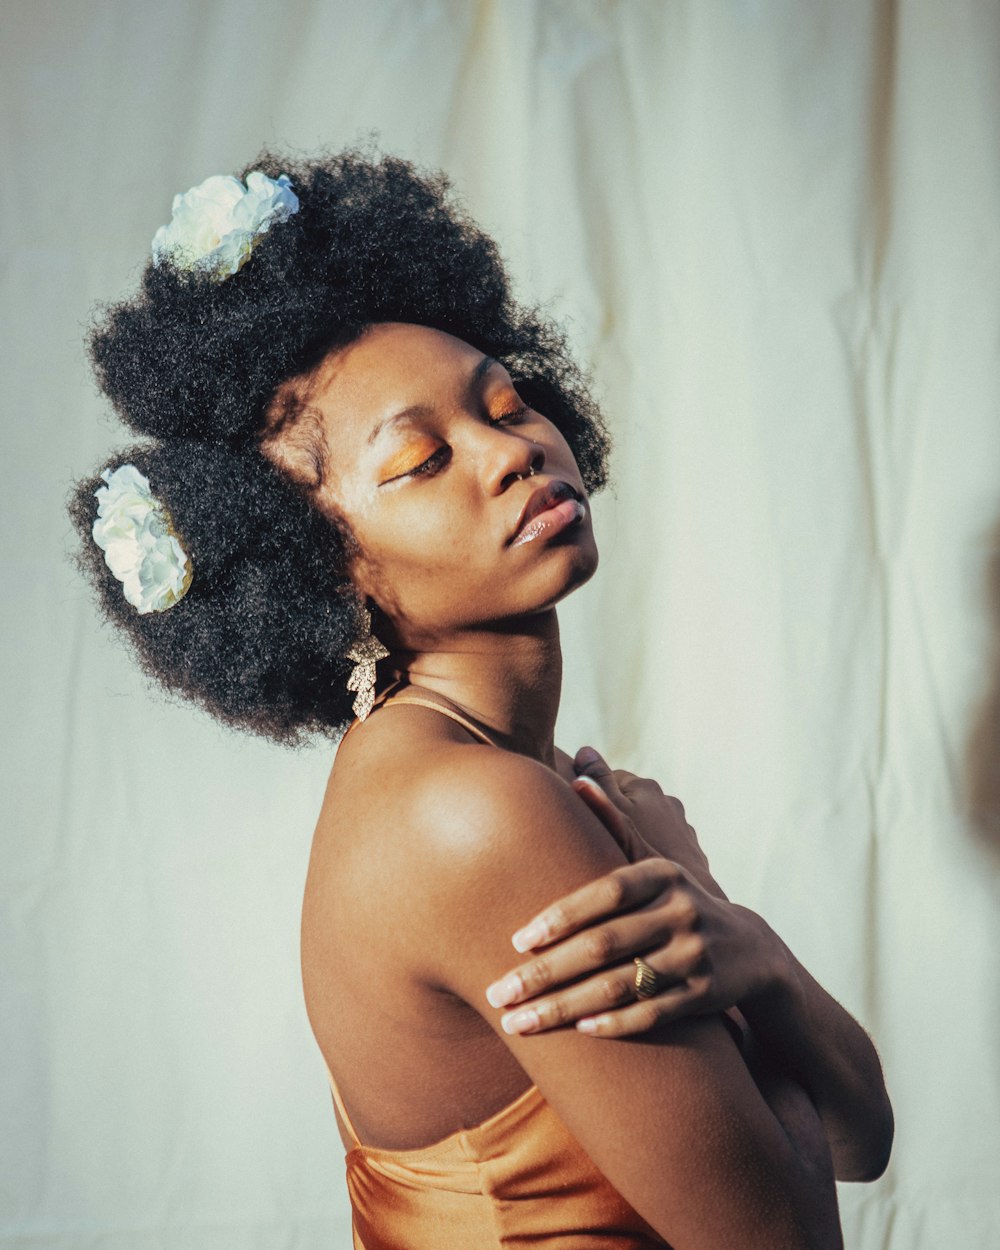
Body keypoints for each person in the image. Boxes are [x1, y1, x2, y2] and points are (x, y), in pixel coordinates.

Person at [70, 149, 893, 1249]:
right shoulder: (469, 814)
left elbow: (859, 1142)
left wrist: (746, 945)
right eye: (419, 459)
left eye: (506, 402)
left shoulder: (492, 778)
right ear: (320, 568)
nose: (508, 451)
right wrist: (695, 896)